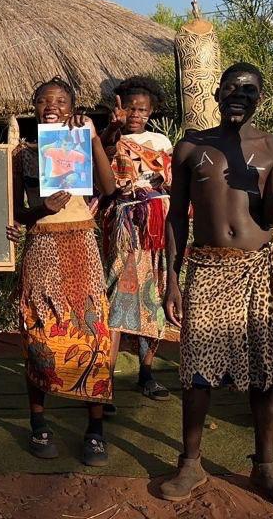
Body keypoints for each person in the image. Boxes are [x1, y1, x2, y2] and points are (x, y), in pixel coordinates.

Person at [158, 63, 273, 509]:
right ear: (216, 92)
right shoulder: (191, 146)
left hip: (260, 268)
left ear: (260, 99)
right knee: (196, 370)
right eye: (231, 87)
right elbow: (176, 215)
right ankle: (190, 462)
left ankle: (265, 466)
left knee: (265, 370)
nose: (238, 95)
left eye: (249, 90)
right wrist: (172, 276)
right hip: (207, 267)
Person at [10, 78, 118, 465]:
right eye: (44, 101)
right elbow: (17, 213)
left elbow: (109, 187)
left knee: (93, 334)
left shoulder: (81, 143)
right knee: (40, 331)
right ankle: (38, 423)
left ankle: (94, 429)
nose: (51, 106)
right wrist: (42, 208)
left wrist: (91, 138)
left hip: (83, 247)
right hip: (42, 246)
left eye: (60, 101)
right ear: (34, 106)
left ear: (73, 108)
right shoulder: (23, 155)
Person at [99, 77, 173, 401]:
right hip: (125, 228)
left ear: (151, 111)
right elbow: (102, 176)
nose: (135, 114)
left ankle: (146, 372)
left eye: (142, 109)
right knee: (119, 295)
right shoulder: (110, 138)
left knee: (154, 296)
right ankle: (107, 379)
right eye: (130, 108)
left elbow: (170, 179)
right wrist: (112, 133)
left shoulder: (160, 141)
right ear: (120, 108)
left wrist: (157, 183)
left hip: (156, 228)